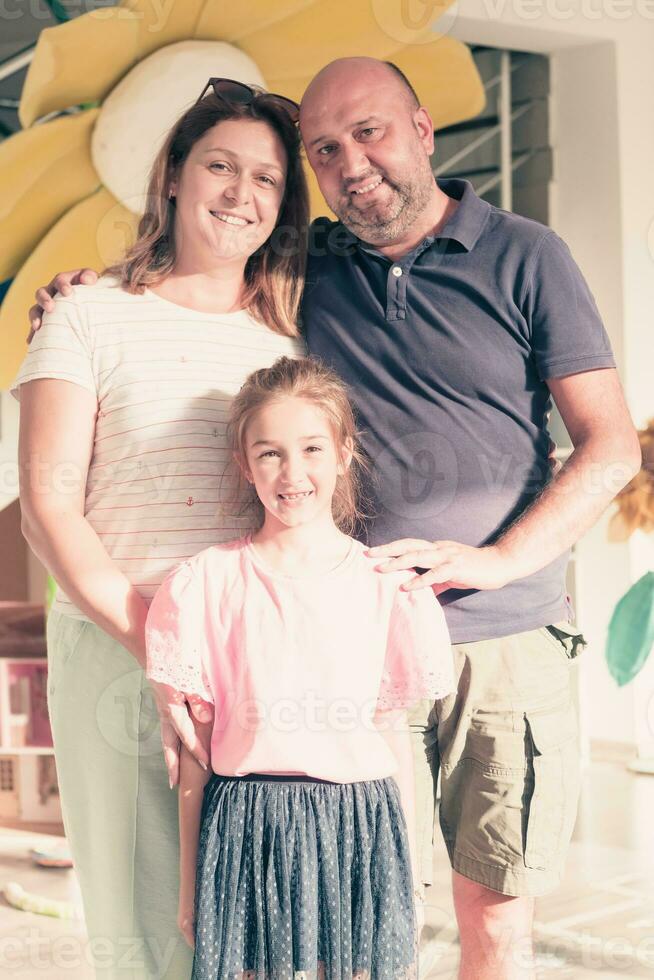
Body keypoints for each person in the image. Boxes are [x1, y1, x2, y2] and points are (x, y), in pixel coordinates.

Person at [28, 58, 642, 980]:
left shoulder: (479, 265)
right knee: (247, 923)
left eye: (371, 133)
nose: (350, 164)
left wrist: (502, 559)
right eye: (321, 150)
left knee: (439, 914)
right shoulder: (274, 285)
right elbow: (59, 482)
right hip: (239, 645)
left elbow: (609, 444)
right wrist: (80, 292)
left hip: (425, 640)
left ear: (424, 130)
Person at [13, 79, 308, 979]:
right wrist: (160, 649)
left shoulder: (289, 341)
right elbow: (48, 506)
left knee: (256, 923)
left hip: (257, 657)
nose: (242, 193)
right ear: (174, 175)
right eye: (221, 165)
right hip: (119, 645)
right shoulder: (84, 316)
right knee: (143, 932)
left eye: (266, 179)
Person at [145, 355, 455, 979]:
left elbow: (395, 735)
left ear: (343, 452)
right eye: (269, 453)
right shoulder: (204, 584)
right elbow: (194, 753)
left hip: (360, 829)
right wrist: (188, 890)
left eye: (311, 448)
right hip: (245, 831)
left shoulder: (388, 585)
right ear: (245, 465)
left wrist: (414, 882)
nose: (292, 473)